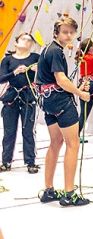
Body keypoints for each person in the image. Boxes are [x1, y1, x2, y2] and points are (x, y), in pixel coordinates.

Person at [35, 16, 92, 206]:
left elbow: (50, 79)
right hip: (60, 102)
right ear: (56, 33)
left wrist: (73, 86)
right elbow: (60, 80)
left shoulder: (46, 49)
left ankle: (49, 190)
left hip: (48, 102)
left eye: (71, 32)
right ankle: (70, 194)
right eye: (65, 32)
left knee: (56, 143)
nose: (68, 35)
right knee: (73, 144)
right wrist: (79, 93)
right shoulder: (56, 52)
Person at [0, 33, 40, 173]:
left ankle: (30, 162)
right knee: (9, 131)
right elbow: (1, 78)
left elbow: (47, 75)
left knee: (28, 130)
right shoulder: (7, 60)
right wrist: (14, 73)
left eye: (30, 40)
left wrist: (38, 70)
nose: (27, 41)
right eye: (23, 38)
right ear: (16, 43)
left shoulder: (36, 58)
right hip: (11, 98)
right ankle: (6, 162)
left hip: (28, 97)